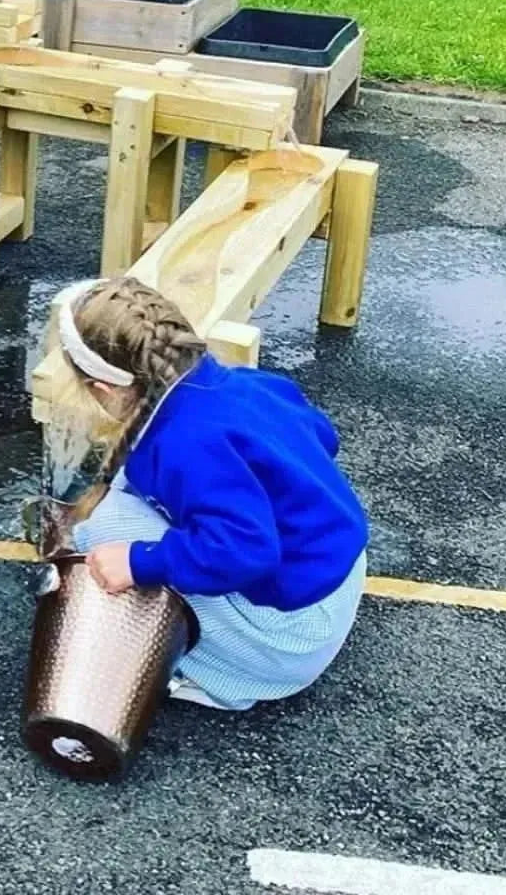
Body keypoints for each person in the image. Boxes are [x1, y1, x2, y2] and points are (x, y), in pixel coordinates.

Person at [57, 277, 369, 712]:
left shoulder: (184, 445)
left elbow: (247, 549)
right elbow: (323, 438)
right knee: (139, 496)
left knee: (104, 527)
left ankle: (221, 682)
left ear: (104, 390)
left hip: (290, 642)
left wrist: (139, 561)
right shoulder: (246, 383)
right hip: (340, 580)